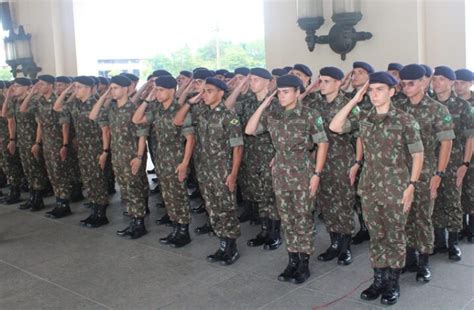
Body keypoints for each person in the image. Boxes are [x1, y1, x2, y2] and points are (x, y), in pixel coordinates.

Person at [330, 71, 424, 305]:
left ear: (392, 92)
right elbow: (335, 125)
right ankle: (379, 279)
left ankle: (392, 283)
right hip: (370, 187)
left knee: (394, 236)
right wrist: (355, 98)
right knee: (377, 236)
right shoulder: (365, 118)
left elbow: (417, 154)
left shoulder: (405, 120)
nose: (374, 94)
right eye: (371, 90)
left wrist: (411, 185)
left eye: (380, 89)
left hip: (396, 188)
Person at [245, 74, 329, 284]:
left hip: (302, 173)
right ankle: (292, 260)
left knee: (302, 218)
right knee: (287, 219)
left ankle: (303, 263)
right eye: (279, 92)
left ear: (297, 93)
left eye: (286, 92)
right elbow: (249, 129)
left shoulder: (310, 114)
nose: (281, 96)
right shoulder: (273, 114)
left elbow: (323, 144)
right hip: (280, 173)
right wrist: (264, 104)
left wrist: (317, 174)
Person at [174, 77, 243, 265]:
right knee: (212, 209)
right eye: (203, 91)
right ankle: (222, 245)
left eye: (209, 91)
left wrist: (234, 174)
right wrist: (190, 102)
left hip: (222, 172)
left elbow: (237, 148)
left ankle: (231, 247)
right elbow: (178, 121)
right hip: (204, 171)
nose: (204, 94)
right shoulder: (201, 113)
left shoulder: (229, 116)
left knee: (226, 209)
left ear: (221, 93)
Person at [396, 64, 455, 282]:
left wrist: (438, 173)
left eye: (411, 83)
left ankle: (423, 263)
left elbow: (446, 143)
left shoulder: (438, 110)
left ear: (423, 82)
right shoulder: (398, 107)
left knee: (422, 217)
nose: (407, 88)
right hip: (399, 172)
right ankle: (409, 258)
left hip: (425, 171)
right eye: (403, 84)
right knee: (404, 216)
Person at [133, 75, 195, 248]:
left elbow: (190, 139)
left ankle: (184, 231)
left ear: (171, 91)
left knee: (179, 196)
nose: (157, 93)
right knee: (168, 196)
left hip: (176, 161)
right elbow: (136, 119)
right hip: (161, 160)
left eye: (160, 90)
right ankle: (175, 228)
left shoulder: (181, 110)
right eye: (156, 90)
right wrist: (147, 99)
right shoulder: (157, 110)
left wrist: (184, 163)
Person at [225, 67, 281, 250]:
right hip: (251, 155)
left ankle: (275, 233)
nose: (252, 83)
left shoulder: (275, 104)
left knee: (271, 196)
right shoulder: (248, 102)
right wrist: (241, 83)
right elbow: (227, 107)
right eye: (251, 80)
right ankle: (264, 230)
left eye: (256, 80)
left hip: (268, 156)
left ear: (268, 81)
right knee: (259, 194)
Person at [90, 75, 149, 239]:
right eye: (111, 87)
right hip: (117, 156)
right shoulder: (112, 108)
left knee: (134, 189)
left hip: (131, 156)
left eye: (115, 88)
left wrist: (139, 156)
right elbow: (93, 115)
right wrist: (104, 96)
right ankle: (133, 221)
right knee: (125, 189)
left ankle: (139, 224)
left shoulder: (134, 108)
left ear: (125, 89)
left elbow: (142, 134)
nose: (112, 91)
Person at [313, 67, 356, 266]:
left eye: (326, 81)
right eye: (320, 81)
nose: (322, 84)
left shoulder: (349, 106)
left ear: (339, 83)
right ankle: (334, 243)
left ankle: (345, 246)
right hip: (322, 163)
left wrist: (357, 163)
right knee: (327, 204)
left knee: (344, 204)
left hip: (342, 162)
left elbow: (360, 138)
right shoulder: (316, 105)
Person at [55, 76, 110, 227]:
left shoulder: (96, 104)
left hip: (96, 148)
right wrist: (69, 90)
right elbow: (57, 106)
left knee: (97, 180)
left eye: (79, 87)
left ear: (89, 89)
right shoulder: (75, 104)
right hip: (83, 149)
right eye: (75, 87)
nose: (76, 90)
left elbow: (105, 131)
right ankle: (94, 210)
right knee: (88, 180)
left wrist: (105, 151)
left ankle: (101, 214)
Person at [431, 66, 474, 260]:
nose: (436, 83)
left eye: (441, 79)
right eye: (435, 79)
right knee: (435, 201)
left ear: (450, 82)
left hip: (454, 161)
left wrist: (465, 163)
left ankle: (453, 243)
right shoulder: (428, 104)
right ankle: (439, 241)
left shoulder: (462, 106)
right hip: (431, 162)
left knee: (453, 202)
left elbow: (470, 137)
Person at [21, 75, 73, 217]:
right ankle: (58, 202)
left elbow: (65, 125)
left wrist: (65, 145)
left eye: (42, 84)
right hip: (46, 142)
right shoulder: (39, 101)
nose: (40, 87)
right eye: (39, 84)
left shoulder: (58, 100)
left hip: (57, 142)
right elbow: (24, 110)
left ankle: (64, 204)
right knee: (51, 173)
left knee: (60, 173)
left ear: (51, 85)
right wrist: (32, 92)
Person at [2, 78, 49, 208]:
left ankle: (38, 200)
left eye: (17, 86)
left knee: (36, 170)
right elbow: (5, 114)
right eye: (14, 86)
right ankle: (32, 197)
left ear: (26, 87)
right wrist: (8, 97)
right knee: (28, 170)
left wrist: (37, 143)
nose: (14, 88)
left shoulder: (34, 101)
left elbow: (40, 124)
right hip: (22, 141)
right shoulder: (16, 101)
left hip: (32, 141)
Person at [454, 68, 474, 243]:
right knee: (458, 191)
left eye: (462, 83)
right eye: (456, 82)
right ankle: (461, 227)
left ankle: (472, 228)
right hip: (456, 153)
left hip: (471, 152)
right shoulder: (450, 103)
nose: (458, 86)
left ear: (470, 84)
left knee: (472, 190)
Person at [0, 81, 23, 205]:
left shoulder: (4, 100)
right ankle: (12, 190)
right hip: (3, 137)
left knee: (10, 165)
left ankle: (15, 192)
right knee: (5, 165)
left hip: (6, 137)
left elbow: (9, 120)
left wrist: (12, 139)